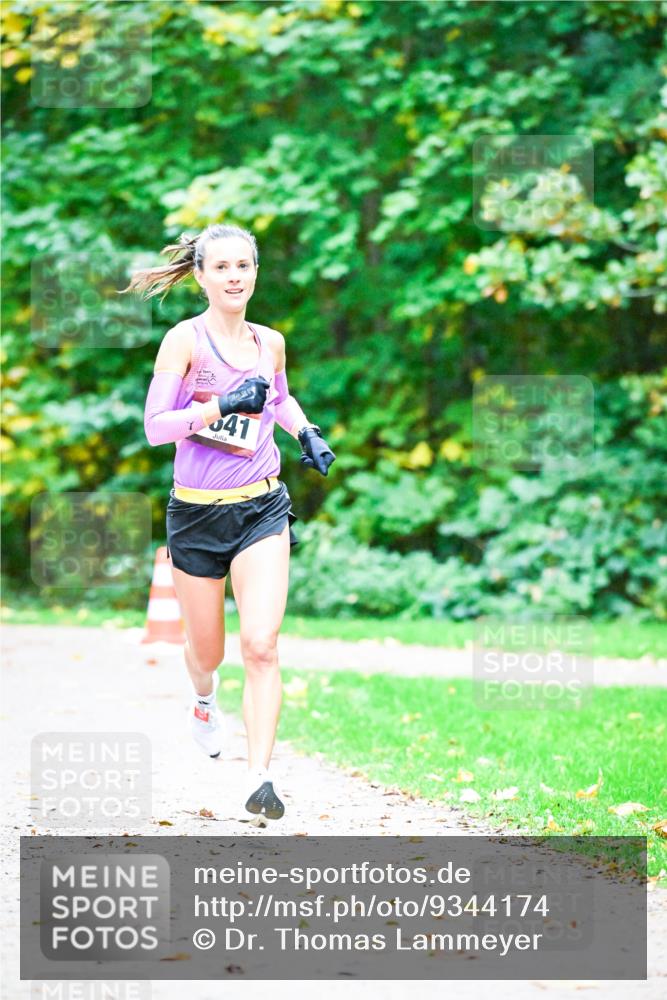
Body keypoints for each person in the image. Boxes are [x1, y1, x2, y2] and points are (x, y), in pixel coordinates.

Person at [123, 223, 335, 824]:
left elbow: (279, 399)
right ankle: (203, 699)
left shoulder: (271, 343)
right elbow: (156, 426)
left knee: (262, 645)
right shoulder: (182, 343)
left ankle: (259, 777)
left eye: (244, 266)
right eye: (221, 268)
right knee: (208, 652)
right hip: (194, 514)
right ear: (201, 276)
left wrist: (306, 431)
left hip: (261, 506)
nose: (234, 276)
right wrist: (219, 405)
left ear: (256, 273)